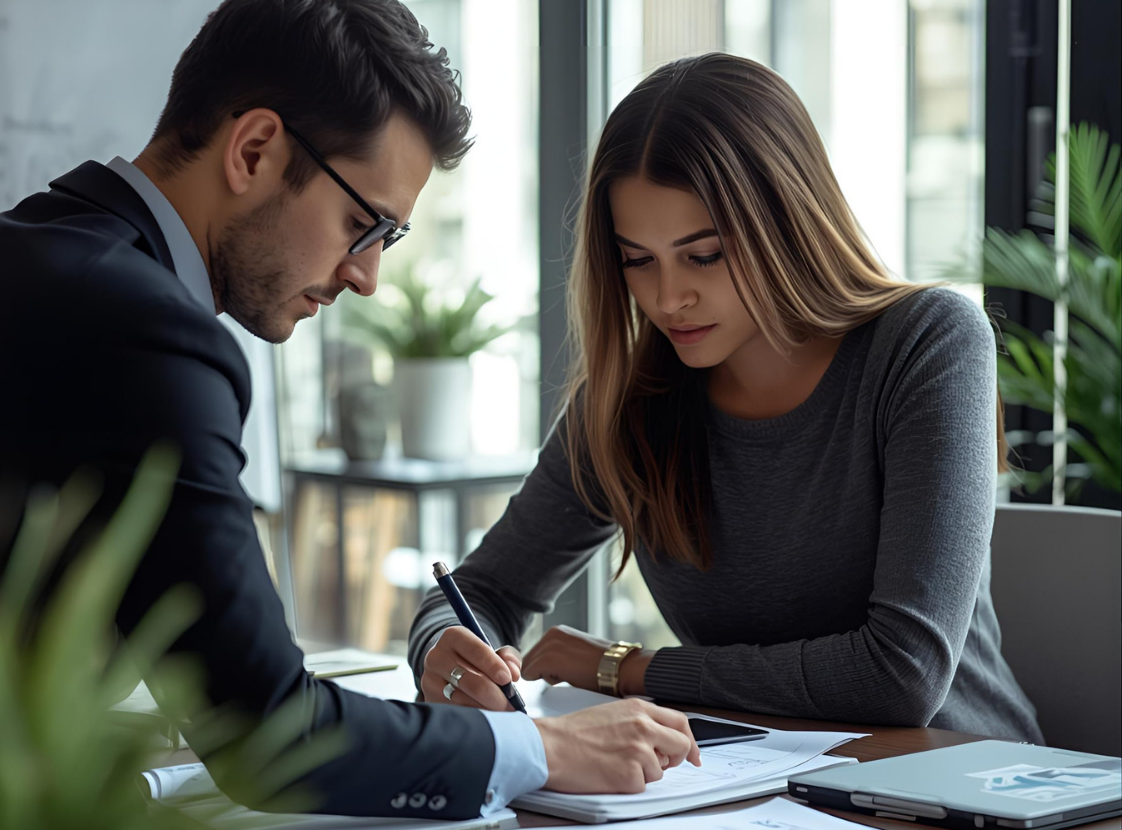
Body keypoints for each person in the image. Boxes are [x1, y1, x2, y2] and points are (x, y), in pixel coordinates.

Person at [0, 0, 699, 830]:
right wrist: (544, 746)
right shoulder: (151, 333)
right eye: (366, 226)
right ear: (254, 150)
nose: (369, 277)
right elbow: (265, 734)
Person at [412, 53, 1041, 745]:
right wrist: (444, 650)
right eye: (637, 259)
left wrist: (625, 669)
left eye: (703, 255)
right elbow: (483, 593)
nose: (667, 296)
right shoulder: (630, 401)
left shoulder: (927, 341)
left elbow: (900, 676)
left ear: (788, 221)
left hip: (961, 791)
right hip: (756, 801)